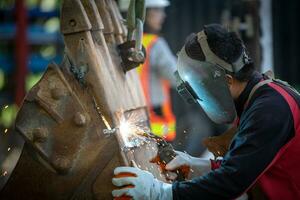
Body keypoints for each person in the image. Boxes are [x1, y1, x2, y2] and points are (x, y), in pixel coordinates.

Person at [111, 24, 300, 199]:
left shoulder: (270, 110)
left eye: (198, 85)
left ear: (226, 81)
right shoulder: (257, 98)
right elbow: (243, 163)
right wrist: (197, 165)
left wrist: (160, 193)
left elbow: (232, 182)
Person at [137, 0, 177, 141]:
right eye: (159, 11)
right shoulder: (156, 44)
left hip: (133, 116)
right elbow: (176, 78)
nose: (163, 16)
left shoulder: (129, 42)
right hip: (155, 120)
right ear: (147, 13)